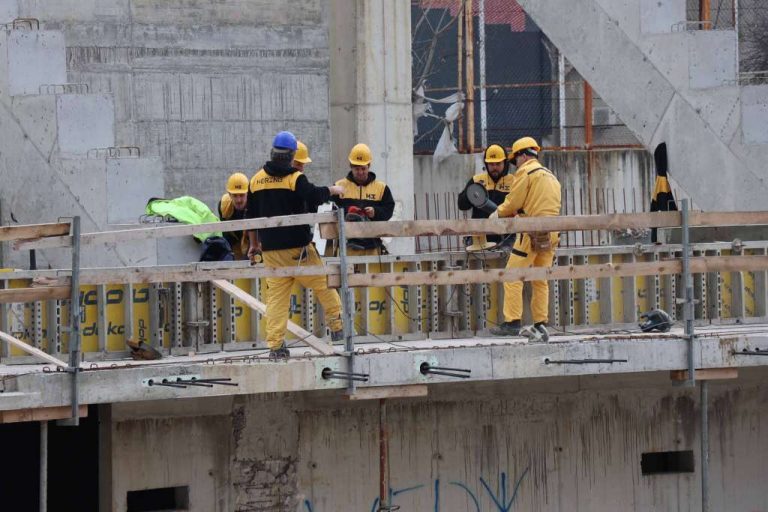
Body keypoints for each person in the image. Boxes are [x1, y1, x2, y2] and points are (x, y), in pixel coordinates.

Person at [247, 131, 346, 358]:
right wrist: (333, 190)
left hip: (271, 251)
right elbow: (313, 196)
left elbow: (250, 217)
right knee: (324, 284)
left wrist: (254, 245)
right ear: (292, 157)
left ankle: (275, 346)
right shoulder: (294, 178)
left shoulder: (256, 180)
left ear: (273, 153)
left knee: (277, 300)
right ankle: (338, 327)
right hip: (298, 250)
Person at [490, 137, 561, 340]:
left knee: (513, 275)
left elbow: (514, 202)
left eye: (515, 160)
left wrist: (497, 213)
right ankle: (540, 323)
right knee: (540, 279)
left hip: (530, 231)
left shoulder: (526, 172)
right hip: (552, 231)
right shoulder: (550, 175)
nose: (515, 164)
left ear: (522, 155)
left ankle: (512, 322)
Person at [331, 143, 395, 255]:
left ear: (369, 166)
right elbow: (330, 211)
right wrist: (347, 212)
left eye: (363, 168)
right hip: (347, 248)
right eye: (356, 168)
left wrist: (375, 212)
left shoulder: (381, 188)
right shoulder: (339, 186)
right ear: (351, 166)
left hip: (372, 247)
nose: (360, 172)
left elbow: (388, 210)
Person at [457, 143, 516, 247]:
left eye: (498, 164)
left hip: (507, 238)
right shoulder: (477, 180)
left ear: (505, 163)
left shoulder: (514, 181)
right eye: (491, 164)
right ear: (486, 164)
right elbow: (462, 205)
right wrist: (471, 193)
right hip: (480, 239)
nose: (494, 167)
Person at [217, 172, 250, 260]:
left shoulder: (255, 206)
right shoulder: (223, 205)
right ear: (229, 194)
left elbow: (257, 238)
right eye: (235, 195)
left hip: (252, 242)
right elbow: (226, 235)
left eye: (242, 195)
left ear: (248, 193)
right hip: (235, 240)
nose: (239, 200)